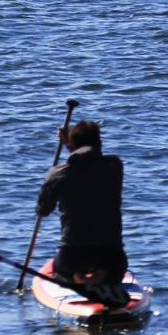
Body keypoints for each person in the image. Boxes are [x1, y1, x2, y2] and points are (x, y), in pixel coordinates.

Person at [35, 120, 129, 304]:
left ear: (71, 146)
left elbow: (43, 210)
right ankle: (102, 276)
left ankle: (77, 278)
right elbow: (90, 160)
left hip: (72, 257)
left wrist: (69, 145)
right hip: (110, 256)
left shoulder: (57, 174)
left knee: (60, 272)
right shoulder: (114, 166)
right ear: (100, 143)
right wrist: (70, 144)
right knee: (116, 267)